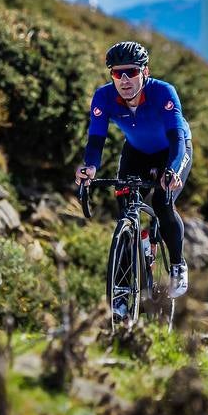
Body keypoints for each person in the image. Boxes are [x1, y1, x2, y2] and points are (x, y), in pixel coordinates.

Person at [75, 41, 193, 305]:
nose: (125, 79)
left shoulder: (164, 93)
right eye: (118, 73)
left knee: (163, 202)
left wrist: (172, 171)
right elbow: (96, 141)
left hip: (173, 149)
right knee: (124, 211)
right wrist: (90, 167)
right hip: (136, 151)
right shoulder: (103, 97)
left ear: (145, 72)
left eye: (131, 72)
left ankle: (177, 264)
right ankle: (123, 289)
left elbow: (177, 139)